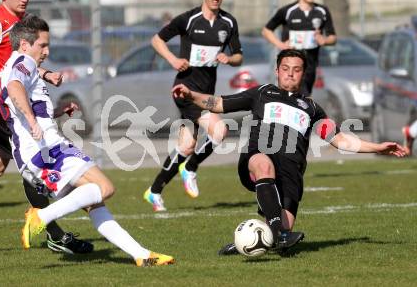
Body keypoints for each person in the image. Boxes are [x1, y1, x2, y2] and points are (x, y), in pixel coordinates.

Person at [172, 49, 406, 255]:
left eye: (296, 69)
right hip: (258, 157)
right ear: (277, 71)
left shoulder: (312, 109)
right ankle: (277, 232)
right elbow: (219, 103)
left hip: (291, 172)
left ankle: (251, 241)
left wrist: (378, 148)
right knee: (264, 164)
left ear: (303, 73)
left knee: (281, 236)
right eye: (285, 68)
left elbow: (340, 139)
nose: (290, 73)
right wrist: (192, 95)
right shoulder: (262, 93)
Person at [0, 15, 174, 267]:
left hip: (36, 153)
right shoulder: (23, 61)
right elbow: (15, 89)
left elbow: (17, 104)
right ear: (24, 45)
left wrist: (54, 113)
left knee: (95, 202)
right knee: (104, 188)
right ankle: (41, 216)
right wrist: (34, 121)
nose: (47, 52)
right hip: (48, 149)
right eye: (42, 45)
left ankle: (142, 255)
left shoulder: (10, 66)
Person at [0, 0, 92, 254]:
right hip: (0, 105)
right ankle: (54, 232)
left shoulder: (24, 24)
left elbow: (19, 65)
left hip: (11, 104)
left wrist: (46, 74)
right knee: (35, 167)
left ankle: (53, 225)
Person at [144, 0, 243, 212]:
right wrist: (173, 60)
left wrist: (229, 59)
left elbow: (239, 55)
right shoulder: (188, 19)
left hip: (205, 93)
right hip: (185, 90)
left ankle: (155, 191)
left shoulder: (228, 23)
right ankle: (191, 168)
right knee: (220, 130)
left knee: (187, 145)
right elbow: (156, 40)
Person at [262, 0, 336, 96]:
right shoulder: (288, 11)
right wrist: (281, 44)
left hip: (310, 66)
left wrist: (324, 40)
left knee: (304, 98)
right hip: (290, 65)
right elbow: (266, 31)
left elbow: (333, 37)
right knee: (292, 98)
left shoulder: (322, 11)